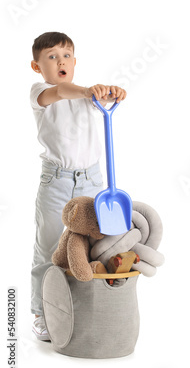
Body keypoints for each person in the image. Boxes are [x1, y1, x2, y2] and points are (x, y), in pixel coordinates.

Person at [28, 31, 126, 341]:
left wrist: (113, 93)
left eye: (66, 55)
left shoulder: (87, 96)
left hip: (93, 181)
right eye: (52, 57)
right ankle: (42, 313)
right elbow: (62, 93)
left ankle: (90, 305)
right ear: (37, 66)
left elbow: (102, 99)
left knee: (95, 245)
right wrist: (87, 91)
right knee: (48, 247)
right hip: (55, 181)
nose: (61, 61)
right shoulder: (40, 92)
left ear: (75, 61)